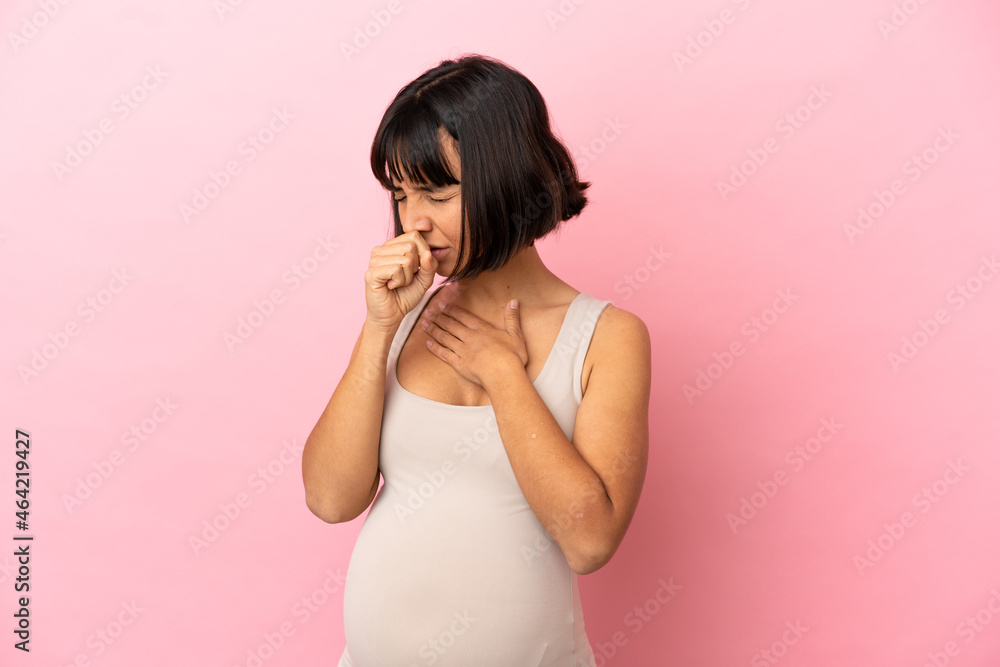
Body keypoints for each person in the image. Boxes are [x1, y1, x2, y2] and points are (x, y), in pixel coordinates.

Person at [302, 53, 650, 667]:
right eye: (401, 194)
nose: (414, 221)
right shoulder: (405, 316)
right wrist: (379, 327)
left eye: (437, 192)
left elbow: (590, 541)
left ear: (509, 178)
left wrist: (503, 376)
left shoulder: (608, 337)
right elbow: (331, 499)